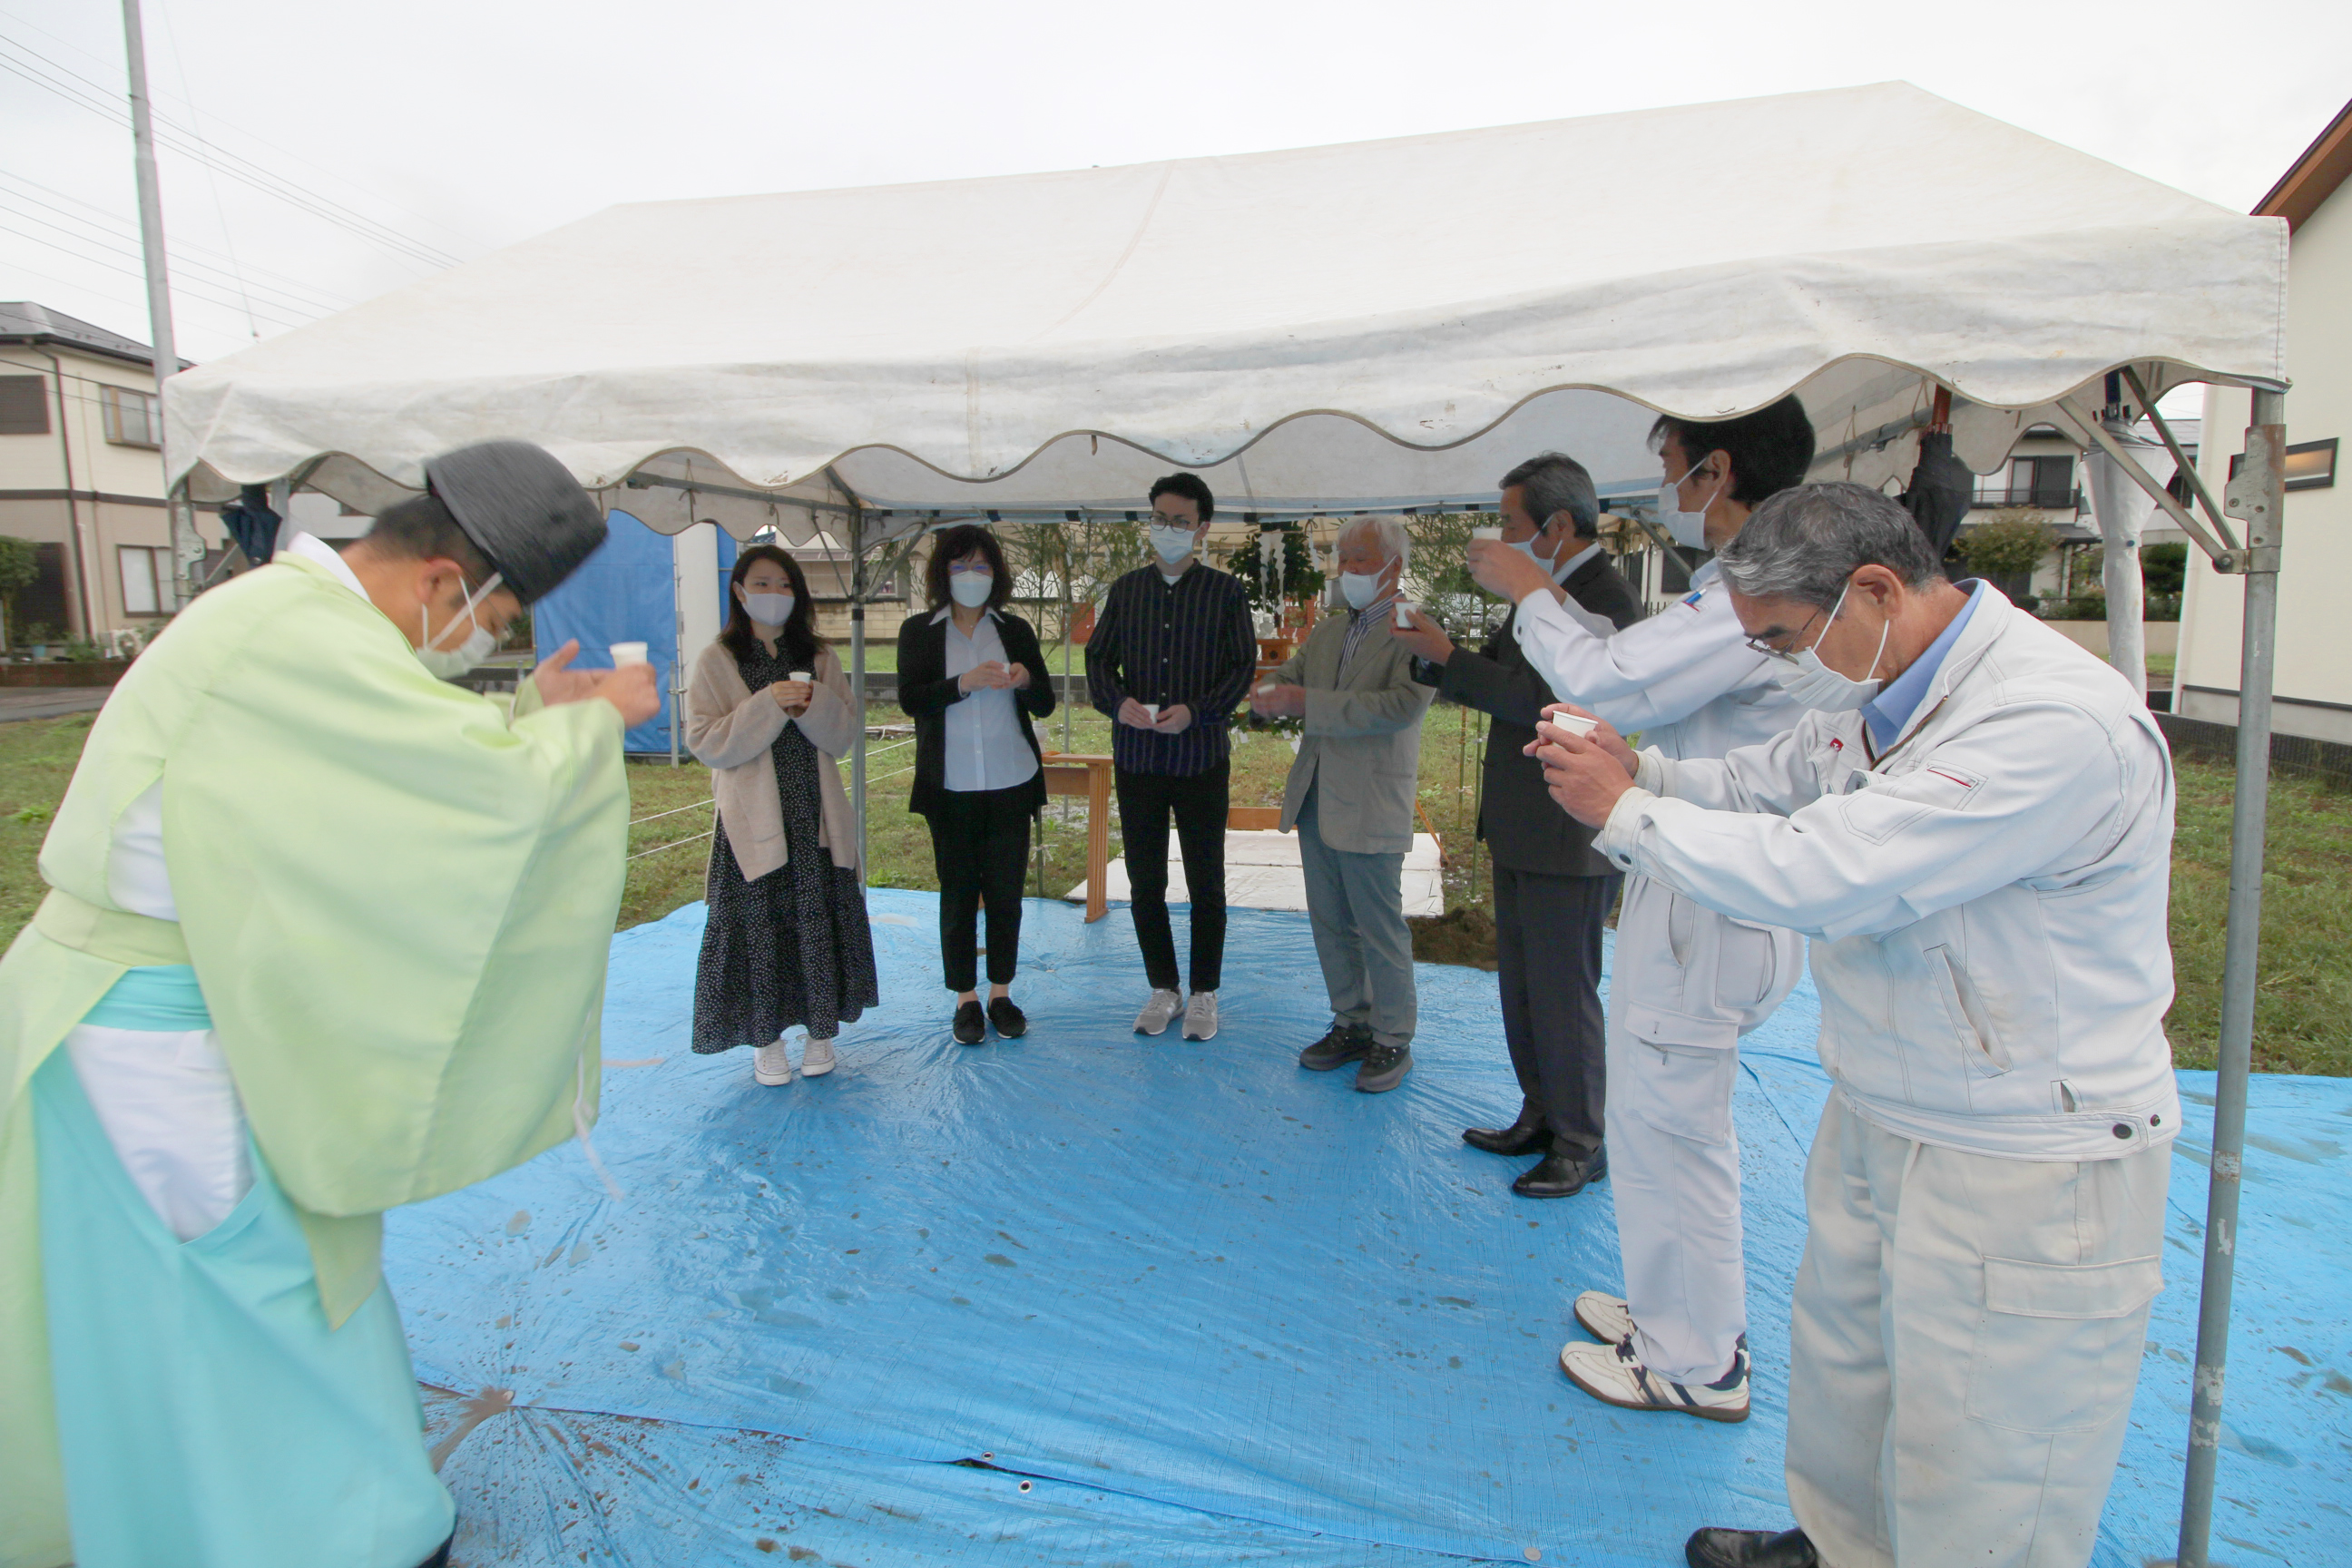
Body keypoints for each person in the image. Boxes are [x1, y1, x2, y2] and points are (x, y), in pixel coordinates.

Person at [0, 441, 660, 1568]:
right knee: (254, 1295)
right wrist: (588, 724)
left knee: (228, 1294)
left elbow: (395, 768)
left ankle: (266, 1518)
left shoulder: (297, 624)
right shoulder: (294, 635)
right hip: (148, 1040)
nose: (483, 647)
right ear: (446, 582)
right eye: (495, 622)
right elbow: (462, 796)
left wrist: (526, 717)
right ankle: (318, 1533)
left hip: (165, 1013)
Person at [1532, 482, 2178, 1568]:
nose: (1784, 664)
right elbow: (1770, 782)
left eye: (1785, 637)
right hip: (1889, 1098)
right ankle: (1838, 1546)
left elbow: (1836, 868)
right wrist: (1644, 767)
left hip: (2023, 1144)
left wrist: (1628, 813)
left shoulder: (2048, 721)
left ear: (1875, 589)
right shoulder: (1884, 691)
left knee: (1981, 1449)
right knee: (1850, 1374)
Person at [1465, 395, 1813, 1421]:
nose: (1662, 483)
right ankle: (1672, 1317)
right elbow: (1671, 723)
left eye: (1669, 460)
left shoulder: (1757, 589)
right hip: (1694, 857)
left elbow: (1606, 675)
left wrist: (1531, 592)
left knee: (1678, 1127)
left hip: (1713, 886)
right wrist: (1643, 768)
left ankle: (1696, 1363)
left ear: (1715, 469)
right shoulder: (1740, 591)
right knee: (1667, 1123)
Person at [1390, 454, 1641, 1195]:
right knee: (1525, 986)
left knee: (1564, 990)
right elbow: (1500, 674)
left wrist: (1447, 659)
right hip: (1527, 822)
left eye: (1510, 524)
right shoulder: (1539, 594)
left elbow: (1542, 699)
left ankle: (1581, 1138)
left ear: (1558, 526)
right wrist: (1438, 657)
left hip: (1570, 828)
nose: (1499, 538)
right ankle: (1542, 1112)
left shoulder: (1605, 599)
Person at [1254, 515, 1435, 1093]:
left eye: (1361, 560)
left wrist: (1308, 701)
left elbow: (1401, 708)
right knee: (1330, 920)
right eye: (1343, 559)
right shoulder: (1330, 629)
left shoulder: (1415, 628)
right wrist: (1267, 693)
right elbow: (1290, 676)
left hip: (1371, 799)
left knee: (1378, 925)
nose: (1348, 571)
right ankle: (1351, 1020)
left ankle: (1393, 1037)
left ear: (1394, 566)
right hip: (1316, 797)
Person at [685, 544, 879, 1083]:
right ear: (740, 592)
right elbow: (707, 741)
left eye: (786, 585)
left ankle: (821, 1033)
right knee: (758, 928)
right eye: (763, 584)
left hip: (815, 817)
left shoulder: (819, 657)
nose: (775, 595)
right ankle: (765, 1039)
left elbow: (843, 734)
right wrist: (768, 703)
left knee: (817, 923)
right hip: (752, 824)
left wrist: (811, 703)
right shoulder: (717, 661)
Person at [1084, 473, 1258, 1042]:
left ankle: (1205, 991)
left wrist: (1198, 712)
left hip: (1200, 758)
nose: (1168, 530)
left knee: (1207, 881)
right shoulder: (1127, 590)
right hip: (1137, 760)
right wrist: (1120, 703)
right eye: (1159, 519)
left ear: (1202, 529)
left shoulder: (1226, 593)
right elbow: (1096, 662)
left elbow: (1241, 670)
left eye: (1180, 522)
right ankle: (1164, 986)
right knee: (1143, 882)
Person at [897, 524, 1057, 1044]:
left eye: (982, 566)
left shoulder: (1014, 628)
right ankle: (965, 999)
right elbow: (910, 699)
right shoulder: (919, 631)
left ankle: (1002, 993)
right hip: (951, 785)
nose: (972, 576)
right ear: (943, 573)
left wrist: (1025, 679)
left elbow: (1045, 702)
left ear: (997, 574)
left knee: (1006, 893)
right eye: (960, 566)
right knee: (959, 893)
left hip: (1012, 778)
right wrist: (962, 684)